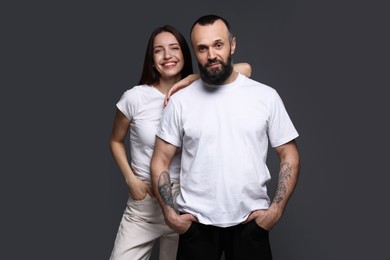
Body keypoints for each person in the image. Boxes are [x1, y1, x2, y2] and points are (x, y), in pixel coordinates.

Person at [150, 14, 300, 260]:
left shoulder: (265, 96)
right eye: (202, 48)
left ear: (232, 45)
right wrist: (169, 213)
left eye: (218, 45)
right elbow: (160, 159)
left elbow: (289, 153)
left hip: (251, 225)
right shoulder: (180, 102)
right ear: (195, 53)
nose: (211, 55)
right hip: (195, 225)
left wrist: (276, 210)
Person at [109, 24, 252, 260]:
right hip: (145, 203)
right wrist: (130, 179)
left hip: (187, 202)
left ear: (186, 54)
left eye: (174, 48)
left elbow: (246, 69)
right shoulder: (135, 97)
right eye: (158, 50)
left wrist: (194, 79)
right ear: (151, 58)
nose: (167, 56)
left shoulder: (199, 92)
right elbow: (115, 140)